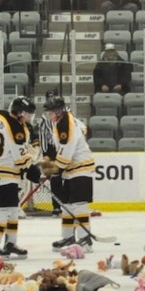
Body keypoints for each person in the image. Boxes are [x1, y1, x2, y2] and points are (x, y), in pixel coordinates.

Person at [0, 96, 40, 258]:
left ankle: (10, 243)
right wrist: (31, 169)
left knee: (13, 209)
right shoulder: (17, 129)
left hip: (1, 168)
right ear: (18, 113)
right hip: (3, 171)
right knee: (4, 209)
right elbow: (20, 157)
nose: (29, 118)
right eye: (27, 114)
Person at [43, 96, 97, 252]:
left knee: (79, 205)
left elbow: (67, 150)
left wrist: (56, 169)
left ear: (59, 112)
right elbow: (61, 146)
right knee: (66, 204)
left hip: (81, 168)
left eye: (51, 112)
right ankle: (68, 237)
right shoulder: (62, 122)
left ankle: (85, 241)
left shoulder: (67, 125)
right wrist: (53, 160)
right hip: (71, 170)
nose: (49, 115)